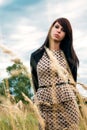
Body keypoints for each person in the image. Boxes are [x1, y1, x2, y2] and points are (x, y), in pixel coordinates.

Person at [30, 18, 80, 130]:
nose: (58, 31)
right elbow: (35, 83)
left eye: (63, 30)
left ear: (65, 36)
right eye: (57, 27)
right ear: (51, 28)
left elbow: (73, 85)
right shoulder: (36, 56)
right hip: (44, 106)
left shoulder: (69, 56)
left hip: (68, 106)